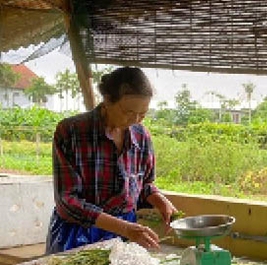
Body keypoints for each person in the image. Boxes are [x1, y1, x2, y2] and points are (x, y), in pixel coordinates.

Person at [45, 66, 177, 254]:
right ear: (107, 100)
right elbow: (67, 201)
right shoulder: (71, 132)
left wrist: (161, 201)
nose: (136, 120)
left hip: (125, 233)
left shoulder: (141, 136)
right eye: (129, 112)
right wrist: (123, 228)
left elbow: (144, 185)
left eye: (143, 114)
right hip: (77, 233)